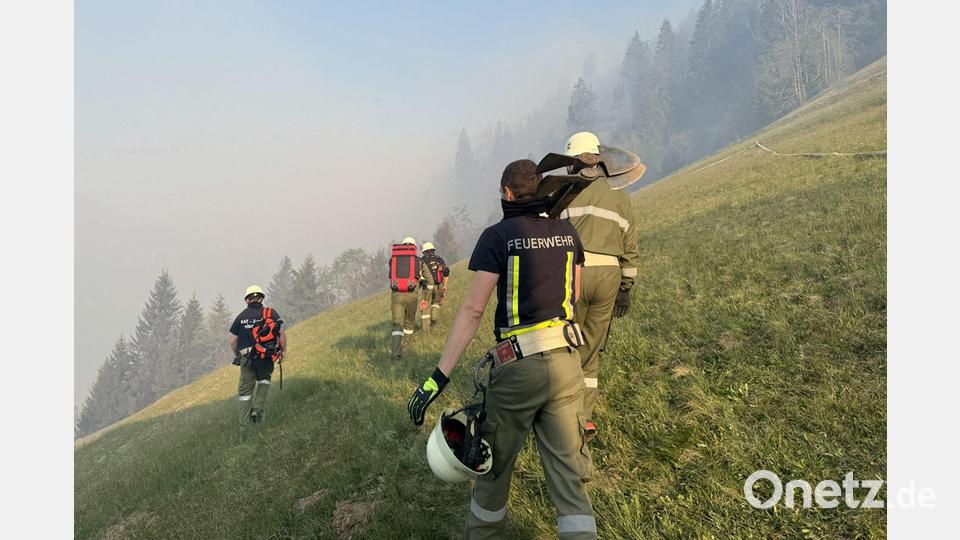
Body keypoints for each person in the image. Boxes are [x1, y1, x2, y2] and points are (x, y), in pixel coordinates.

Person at [407, 160, 597, 539]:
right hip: (567, 364)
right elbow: (573, 296)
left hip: (519, 370)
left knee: (492, 469)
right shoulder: (567, 232)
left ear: (508, 193)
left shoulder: (499, 235)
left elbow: (474, 309)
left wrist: (438, 377)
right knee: (569, 479)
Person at [553, 131, 641, 437]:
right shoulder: (620, 195)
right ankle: (583, 419)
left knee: (566, 344)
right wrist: (624, 291)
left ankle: (561, 413)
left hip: (573, 273)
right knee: (591, 349)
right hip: (608, 276)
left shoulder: (565, 192)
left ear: (574, 162)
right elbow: (629, 244)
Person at [229, 284, 286, 426]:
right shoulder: (270, 313)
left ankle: (244, 427)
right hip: (265, 356)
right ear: (261, 298)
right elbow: (281, 333)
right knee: (264, 380)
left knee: (245, 393)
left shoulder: (240, 317)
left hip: (246, 358)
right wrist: (283, 350)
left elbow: (233, 341)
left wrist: (238, 355)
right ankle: (258, 409)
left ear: (247, 300)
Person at [389, 237, 435, 359]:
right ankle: (407, 348)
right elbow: (430, 281)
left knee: (397, 325)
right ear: (414, 248)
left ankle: (396, 354)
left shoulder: (393, 260)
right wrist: (425, 298)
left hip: (396, 296)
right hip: (412, 297)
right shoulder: (419, 262)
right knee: (409, 323)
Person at [419, 241, 450, 331]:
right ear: (433, 250)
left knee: (425, 306)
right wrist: (444, 286)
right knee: (436, 303)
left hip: (427, 287)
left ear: (424, 251)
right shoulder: (439, 259)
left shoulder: (421, 261)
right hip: (438, 285)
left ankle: (426, 330)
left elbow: (419, 275)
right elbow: (446, 272)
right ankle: (434, 319)